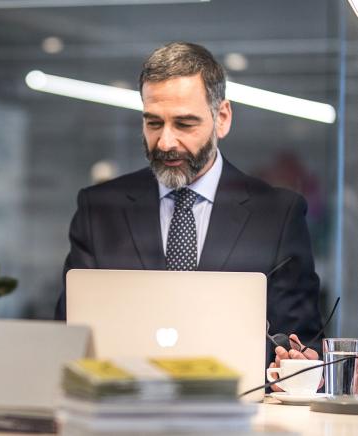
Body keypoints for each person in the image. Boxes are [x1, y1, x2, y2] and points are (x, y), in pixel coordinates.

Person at [53, 42, 323, 371]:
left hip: (239, 410)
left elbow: (302, 344)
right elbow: (68, 335)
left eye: (184, 124)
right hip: (120, 407)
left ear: (222, 118)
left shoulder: (278, 215)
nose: (166, 142)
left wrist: (295, 364)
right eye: (153, 123)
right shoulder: (99, 209)